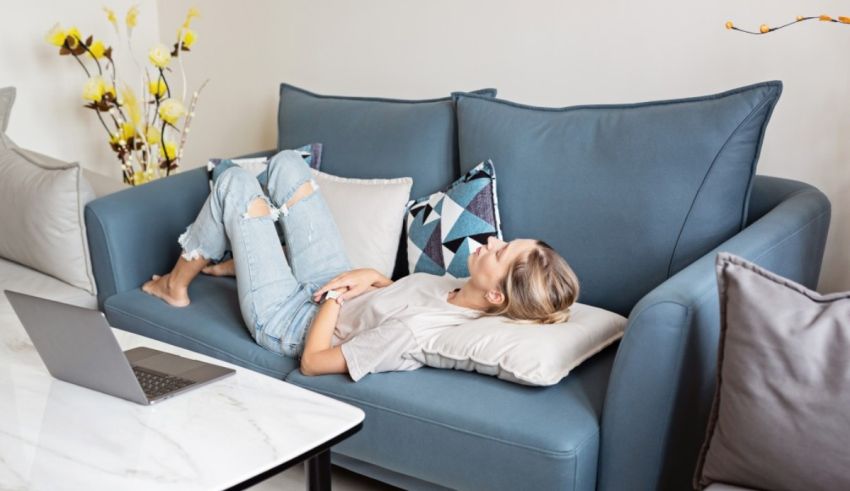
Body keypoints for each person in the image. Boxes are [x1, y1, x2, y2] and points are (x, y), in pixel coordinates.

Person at [143, 150, 580, 381]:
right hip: (336, 282)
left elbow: (313, 362)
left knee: (235, 182)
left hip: (292, 320)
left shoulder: (417, 334)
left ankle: (175, 287)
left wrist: (334, 297)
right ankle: (254, 260)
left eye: (501, 252)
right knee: (286, 168)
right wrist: (371, 277)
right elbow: (394, 298)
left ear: (496, 296)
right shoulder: (456, 286)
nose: (491, 241)